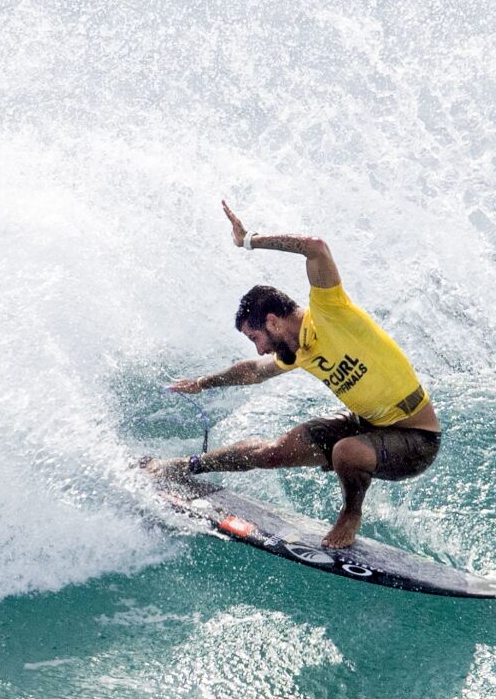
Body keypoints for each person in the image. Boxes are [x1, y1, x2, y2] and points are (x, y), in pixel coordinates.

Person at [142, 201, 442, 548]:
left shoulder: (330, 312)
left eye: (256, 338)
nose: (259, 349)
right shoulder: (298, 350)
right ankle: (183, 466)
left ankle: (350, 516)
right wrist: (203, 383)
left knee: (346, 450)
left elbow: (315, 248)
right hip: (368, 425)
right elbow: (255, 371)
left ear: (272, 321)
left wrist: (249, 240)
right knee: (271, 452)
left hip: (415, 438)